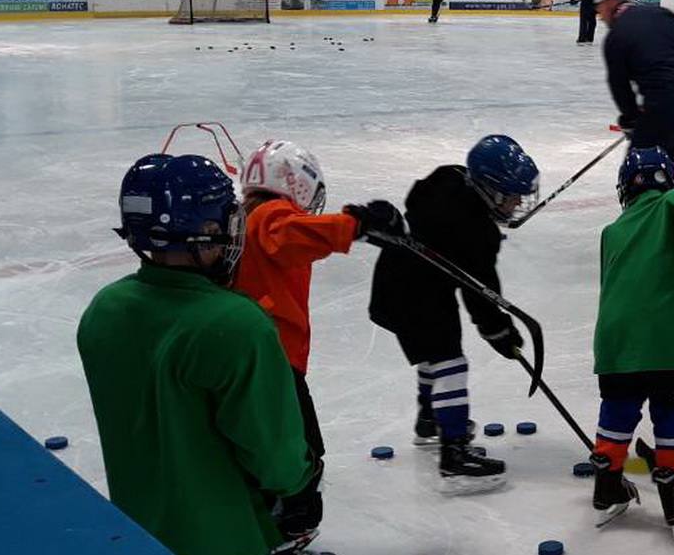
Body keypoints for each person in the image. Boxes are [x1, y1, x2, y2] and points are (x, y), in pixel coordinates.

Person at [78, 154, 316, 555]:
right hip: (226, 536)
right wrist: (303, 480)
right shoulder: (237, 324)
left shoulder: (104, 309)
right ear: (203, 231)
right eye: (224, 221)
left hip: (137, 528)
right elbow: (277, 461)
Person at [229, 140, 398, 551]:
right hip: (275, 359)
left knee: (271, 449)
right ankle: (287, 533)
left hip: (258, 355)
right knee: (301, 453)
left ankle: (268, 527)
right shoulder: (269, 216)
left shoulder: (243, 218)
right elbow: (289, 234)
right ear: (295, 183)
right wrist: (355, 225)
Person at [367, 135, 540, 495]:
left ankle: (430, 421)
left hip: (399, 283)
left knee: (435, 354)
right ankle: (454, 454)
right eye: (511, 194)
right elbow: (481, 294)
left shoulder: (450, 180)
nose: (518, 202)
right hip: (414, 294)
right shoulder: (474, 228)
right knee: (449, 364)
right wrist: (501, 333)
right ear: (488, 189)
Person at [588, 147, 674, 541]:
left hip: (613, 345)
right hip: (663, 339)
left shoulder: (610, 231)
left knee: (617, 412)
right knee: (670, 414)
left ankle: (608, 485)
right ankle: (673, 494)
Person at [594, 0, 674, 157]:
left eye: (599, 8)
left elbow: (620, 87)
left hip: (661, 105)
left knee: (642, 164)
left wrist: (632, 117)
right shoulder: (659, 12)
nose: (600, 16)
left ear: (609, 2)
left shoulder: (615, 37)